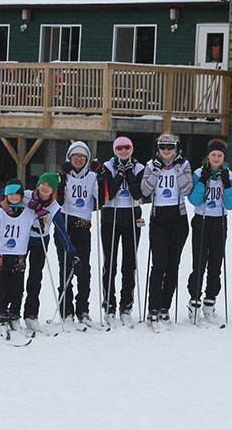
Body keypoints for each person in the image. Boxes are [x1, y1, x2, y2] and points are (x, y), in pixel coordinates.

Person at [140, 133, 193, 326]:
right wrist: (156, 170)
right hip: (159, 218)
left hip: (178, 218)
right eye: (163, 147)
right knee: (158, 265)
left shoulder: (184, 165)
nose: (166, 150)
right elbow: (145, 191)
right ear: (158, 149)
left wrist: (177, 169)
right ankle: (153, 307)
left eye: (170, 147)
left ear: (175, 148)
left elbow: (187, 189)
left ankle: (165, 307)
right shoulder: (150, 165)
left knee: (173, 265)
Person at [186, 138, 232, 323]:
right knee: (199, 262)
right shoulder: (198, 173)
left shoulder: (230, 175)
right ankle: (194, 300)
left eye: (219, 155)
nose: (216, 158)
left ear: (224, 158)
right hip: (201, 219)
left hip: (219, 221)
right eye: (213, 155)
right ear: (208, 156)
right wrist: (202, 181)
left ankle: (210, 302)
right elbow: (193, 200)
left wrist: (227, 185)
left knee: (216, 263)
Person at [56, 142, 106, 327]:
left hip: (83, 226)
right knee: (65, 267)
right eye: (75, 156)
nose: (78, 159)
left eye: (82, 156)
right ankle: (66, 310)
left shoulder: (92, 177)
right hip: (65, 224)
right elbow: (57, 200)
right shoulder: (64, 175)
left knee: (84, 270)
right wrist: (62, 179)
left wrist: (102, 177)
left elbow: (102, 199)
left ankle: (82, 309)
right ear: (69, 157)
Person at [23, 173, 78, 331]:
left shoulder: (54, 207)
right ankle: (9, 313)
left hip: (40, 243)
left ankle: (31, 315)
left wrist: (71, 252)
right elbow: (8, 197)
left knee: (35, 279)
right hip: (21, 242)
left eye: (49, 186)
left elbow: (61, 231)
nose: (45, 188)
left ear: (53, 190)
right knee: (15, 277)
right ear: (38, 185)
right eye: (43, 184)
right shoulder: (26, 195)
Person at [100, 136, 145, 325]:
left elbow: (138, 193)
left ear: (131, 149)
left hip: (132, 213)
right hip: (111, 214)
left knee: (129, 263)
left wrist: (130, 174)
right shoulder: (107, 167)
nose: (123, 151)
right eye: (119, 148)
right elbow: (108, 194)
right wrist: (119, 174)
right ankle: (109, 304)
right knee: (110, 262)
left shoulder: (139, 167)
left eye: (127, 147)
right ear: (115, 150)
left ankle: (126, 305)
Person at [0, 179, 39, 332]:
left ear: (21, 195)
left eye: (17, 194)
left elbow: (39, 226)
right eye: (11, 194)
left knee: (17, 290)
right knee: (3, 288)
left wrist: (40, 217)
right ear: (6, 196)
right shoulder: (0, 212)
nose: (14, 197)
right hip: (2, 255)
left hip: (19, 255)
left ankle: (14, 316)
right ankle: (0, 315)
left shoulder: (28, 213)